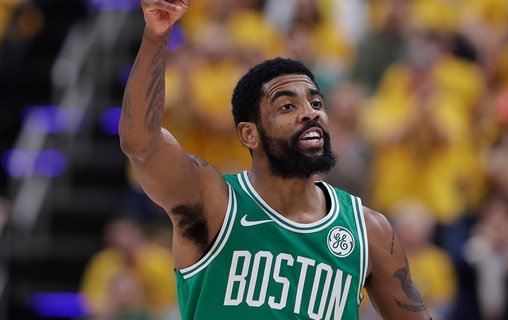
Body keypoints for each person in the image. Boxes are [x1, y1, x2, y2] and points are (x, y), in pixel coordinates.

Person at [118, 1, 431, 319]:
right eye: (287, 106)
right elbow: (142, 144)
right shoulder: (215, 203)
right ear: (249, 134)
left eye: (316, 101)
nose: (310, 112)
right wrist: (157, 34)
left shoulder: (369, 230)